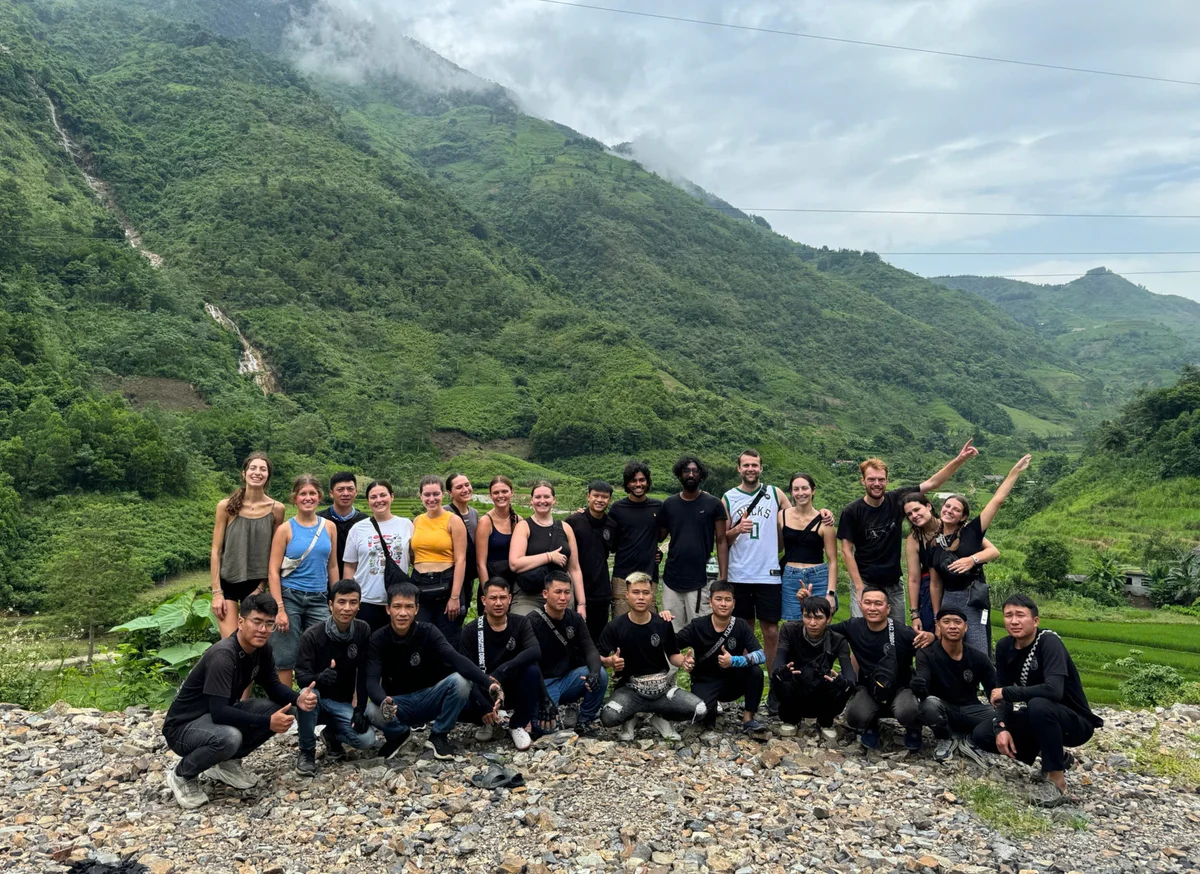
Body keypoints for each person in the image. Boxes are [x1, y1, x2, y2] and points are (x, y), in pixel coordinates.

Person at [162, 593, 316, 809]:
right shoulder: (223, 655)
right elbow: (220, 712)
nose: (263, 630)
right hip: (183, 728)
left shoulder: (262, 649)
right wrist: (267, 723)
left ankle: (226, 763)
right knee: (230, 737)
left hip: (213, 720)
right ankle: (182, 775)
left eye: (269, 624)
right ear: (241, 622)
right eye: (257, 622)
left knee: (284, 709)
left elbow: (272, 686)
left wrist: (298, 699)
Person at [972, 595, 1103, 807]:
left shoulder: (1049, 642)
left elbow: (1053, 691)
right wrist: (1001, 726)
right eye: (1008, 616)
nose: (1014, 621)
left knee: (1039, 704)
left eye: (1020, 615)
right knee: (983, 734)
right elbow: (1002, 697)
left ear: (1035, 621)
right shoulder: (1005, 647)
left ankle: (1057, 782)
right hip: (1039, 718)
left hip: (1074, 723)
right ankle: (1054, 755)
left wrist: (1008, 692)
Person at [837, 440, 979, 621]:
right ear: (863, 480)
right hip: (866, 583)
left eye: (881, 479)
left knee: (897, 636)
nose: (876, 483)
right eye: (871, 479)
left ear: (887, 481)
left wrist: (959, 459)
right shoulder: (852, 511)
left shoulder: (896, 499)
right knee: (860, 634)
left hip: (894, 584)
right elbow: (846, 551)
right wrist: (858, 587)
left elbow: (933, 483)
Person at [366, 582, 501, 761]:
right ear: (388, 609)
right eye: (397, 606)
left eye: (409, 607)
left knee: (461, 681)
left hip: (430, 698)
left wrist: (489, 682)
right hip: (398, 705)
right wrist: (384, 702)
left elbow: (456, 659)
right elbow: (372, 680)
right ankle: (399, 734)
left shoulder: (428, 631)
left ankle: (439, 734)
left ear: (417, 609)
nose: (403, 613)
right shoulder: (378, 638)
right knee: (371, 709)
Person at [928, 455, 1031, 653]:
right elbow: (935, 584)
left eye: (956, 509)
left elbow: (997, 500)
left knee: (978, 647)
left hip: (973, 598)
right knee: (948, 650)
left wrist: (1015, 471)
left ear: (963, 516)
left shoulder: (971, 533)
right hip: (948, 600)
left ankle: (983, 684)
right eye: (947, 506)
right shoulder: (933, 543)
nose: (949, 511)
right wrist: (937, 617)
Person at [598, 573, 707, 741]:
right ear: (627, 595)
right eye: (635, 592)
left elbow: (673, 655)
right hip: (630, 690)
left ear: (652, 595)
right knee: (608, 717)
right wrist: (610, 662)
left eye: (645, 592)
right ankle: (629, 718)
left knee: (699, 709)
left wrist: (683, 661)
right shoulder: (615, 627)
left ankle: (662, 718)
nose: (641, 597)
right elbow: (599, 659)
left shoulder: (662, 624)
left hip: (662, 690)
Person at [722, 450, 794, 688]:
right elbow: (722, 539)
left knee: (771, 630)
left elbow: (795, 518)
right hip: (739, 574)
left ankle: (774, 681)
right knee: (745, 631)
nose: (750, 469)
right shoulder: (729, 498)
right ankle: (748, 681)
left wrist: (822, 514)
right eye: (746, 465)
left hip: (768, 574)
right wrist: (735, 530)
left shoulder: (774, 493)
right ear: (738, 469)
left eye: (755, 465)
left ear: (761, 468)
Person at [830, 586, 934, 750]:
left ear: (888, 608)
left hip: (900, 688)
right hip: (869, 688)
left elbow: (931, 649)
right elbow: (820, 629)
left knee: (908, 711)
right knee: (854, 716)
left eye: (878, 604)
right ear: (861, 605)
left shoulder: (902, 632)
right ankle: (871, 725)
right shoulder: (853, 626)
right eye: (867, 603)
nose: (872, 608)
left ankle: (913, 728)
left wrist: (931, 636)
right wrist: (807, 604)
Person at [293, 578, 376, 775]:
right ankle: (306, 751)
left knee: (367, 740)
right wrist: (320, 677)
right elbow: (301, 678)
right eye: (341, 602)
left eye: (353, 602)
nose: (347, 608)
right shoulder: (312, 635)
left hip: (342, 703)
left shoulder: (362, 630)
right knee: (307, 694)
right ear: (331, 605)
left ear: (359, 606)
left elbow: (364, 672)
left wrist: (360, 708)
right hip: (316, 702)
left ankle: (332, 735)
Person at [268, 474, 339, 689]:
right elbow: (273, 570)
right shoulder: (285, 529)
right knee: (284, 656)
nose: (308, 498)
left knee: (321, 651)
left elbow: (332, 565)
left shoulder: (329, 527)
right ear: (295, 498)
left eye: (312, 493)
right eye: (303, 494)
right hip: (290, 597)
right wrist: (279, 608)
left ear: (319, 497)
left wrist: (336, 599)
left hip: (319, 598)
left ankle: (315, 704)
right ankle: (286, 706)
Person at [460, 578, 542, 751]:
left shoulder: (520, 623)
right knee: (460, 694)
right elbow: (465, 671)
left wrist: (501, 673)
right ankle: (488, 720)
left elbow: (535, 651)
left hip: (511, 685)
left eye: (503, 597)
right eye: (493, 598)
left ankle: (517, 724)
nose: (498, 603)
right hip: (483, 689)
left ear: (510, 599)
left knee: (532, 670)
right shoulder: (471, 630)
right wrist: (483, 704)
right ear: (483, 600)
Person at [209, 453, 285, 638]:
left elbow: (275, 555)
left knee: (253, 642)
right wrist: (216, 592)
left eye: (263, 469)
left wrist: (261, 587)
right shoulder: (226, 506)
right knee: (230, 643)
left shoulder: (276, 509)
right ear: (244, 473)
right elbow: (216, 550)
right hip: (228, 582)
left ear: (268, 476)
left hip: (257, 584)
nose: (257, 472)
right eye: (253, 468)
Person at [676, 580, 766, 735]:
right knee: (704, 719)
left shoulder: (741, 625)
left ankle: (748, 719)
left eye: (727, 599)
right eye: (718, 599)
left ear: (733, 603)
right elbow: (672, 643)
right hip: (706, 679)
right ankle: (711, 707)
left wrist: (735, 661)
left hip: (733, 680)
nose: (723, 604)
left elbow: (760, 655)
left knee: (755, 672)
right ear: (710, 602)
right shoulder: (698, 625)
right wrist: (682, 659)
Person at [912, 607, 997, 764]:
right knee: (928, 705)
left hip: (971, 709)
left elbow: (994, 691)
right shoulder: (926, 654)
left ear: (966, 626)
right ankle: (945, 737)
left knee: (1004, 717)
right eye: (946, 622)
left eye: (957, 622)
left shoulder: (979, 658)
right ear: (938, 626)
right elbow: (923, 687)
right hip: (943, 708)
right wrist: (918, 686)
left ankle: (970, 739)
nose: (952, 626)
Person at [528, 572, 607, 737]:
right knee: (544, 731)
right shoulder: (531, 622)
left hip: (567, 679)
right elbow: (529, 665)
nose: (563, 597)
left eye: (567, 592)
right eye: (558, 592)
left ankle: (584, 721)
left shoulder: (575, 619)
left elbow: (590, 649)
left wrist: (593, 674)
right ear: (545, 594)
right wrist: (544, 699)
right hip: (541, 684)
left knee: (600, 674)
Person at [658, 455, 728, 631]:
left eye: (695, 471)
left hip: (701, 579)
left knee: (701, 630)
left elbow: (721, 540)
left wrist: (724, 578)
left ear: (700, 475)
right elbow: (658, 536)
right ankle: (673, 660)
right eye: (686, 471)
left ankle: (700, 661)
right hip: (672, 577)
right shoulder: (669, 504)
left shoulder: (713, 504)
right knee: (671, 630)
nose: (690, 474)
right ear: (679, 474)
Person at [772, 596, 855, 740]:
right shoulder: (789, 630)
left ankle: (825, 722)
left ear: (828, 618)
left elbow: (849, 673)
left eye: (818, 618)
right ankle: (791, 719)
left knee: (845, 685)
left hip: (821, 690)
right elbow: (779, 658)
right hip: (795, 687)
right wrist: (781, 671)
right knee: (779, 676)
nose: (812, 623)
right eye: (807, 617)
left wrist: (844, 682)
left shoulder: (838, 640)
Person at [343, 481, 415, 632]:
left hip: (397, 600)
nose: (379, 500)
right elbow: (350, 566)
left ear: (392, 497)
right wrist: (350, 598)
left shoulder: (406, 524)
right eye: (373, 497)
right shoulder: (358, 528)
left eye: (383, 495)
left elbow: (414, 558)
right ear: (368, 501)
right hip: (366, 599)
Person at [509, 481, 587, 618]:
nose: (542, 501)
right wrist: (549, 556)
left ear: (554, 500)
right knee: (524, 630)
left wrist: (581, 604)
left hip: (560, 594)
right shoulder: (524, 526)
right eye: (538, 497)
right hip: (529, 595)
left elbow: (575, 569)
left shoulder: (565, 528)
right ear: (531, 500)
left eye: (546, 497)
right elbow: (515, 564)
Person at [410, 475, 468, 644]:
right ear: (420, 495)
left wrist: (455, 596)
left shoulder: (453, 521)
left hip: (446, 584)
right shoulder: (417, 521)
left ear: (443, 494)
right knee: (421, 638)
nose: (431, 499)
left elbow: (461, 560)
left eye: (436, 494)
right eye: (427, 495)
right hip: (420, 584)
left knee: (447, 641)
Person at [608, 460, 663, 619]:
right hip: (622, 576)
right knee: (621, 625)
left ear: (647, 482)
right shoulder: (617, 509)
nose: (638, 484)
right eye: (633, 480)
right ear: (627, 483)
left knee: (649, 625)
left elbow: (662, 534)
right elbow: (609, 539)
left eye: (641, 480)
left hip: (648, 576)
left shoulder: (658, 507)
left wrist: (657, 552)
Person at [779, 472, 839, 619]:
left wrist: (830, 593)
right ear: (791, 492)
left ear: (813, 490)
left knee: (819, 623)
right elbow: (777, 547)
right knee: (793, 624)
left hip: (818, 577)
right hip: (791, 577)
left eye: (805, 488)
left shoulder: (825, 521)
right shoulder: (782, 516)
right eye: (796, 489)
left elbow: (832, 560)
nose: (801, 493)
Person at [566, 480, 619, 643]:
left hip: (601, 590)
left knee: (598, 636)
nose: (600, 500)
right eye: (596, 495)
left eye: (604, 497)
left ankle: (598, 667)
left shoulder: (612, 525)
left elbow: (619, 548)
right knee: (574, 635)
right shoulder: (573, 521)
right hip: (576, 588)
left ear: (609, 499)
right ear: (588, 496)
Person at [475, 475, 519, 599]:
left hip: (514, 585)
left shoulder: (517, 520)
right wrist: (488, 593)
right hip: (492, 585)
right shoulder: (485, 522)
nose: (500, 495)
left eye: (504, 491)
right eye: (496, 492)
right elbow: (480, 564)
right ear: (491, 496)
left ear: (512, 492)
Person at [902, 493, 940, 634]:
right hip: (928, 590)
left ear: (928, 506)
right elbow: (913, 578)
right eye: (909, 514)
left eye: (917, 510)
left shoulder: (950, 525)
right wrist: (914, 614)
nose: (914, 515)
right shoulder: (913, 539)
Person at [445, 473, 479, 620]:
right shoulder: (444, 513)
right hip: (449, 576)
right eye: (459, 487)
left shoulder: (474, 513)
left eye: (467, 484)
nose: (465, 489)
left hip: (468, 576)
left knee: (462, 614)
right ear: (450, 493)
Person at [319, 471, 366, 578]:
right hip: (323, 582)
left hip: (357, 583)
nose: (346, 493)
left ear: (356, 492)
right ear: (331, 493)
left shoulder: (366, 522)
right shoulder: (319, 520)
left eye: (350, 489)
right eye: (340, 489)